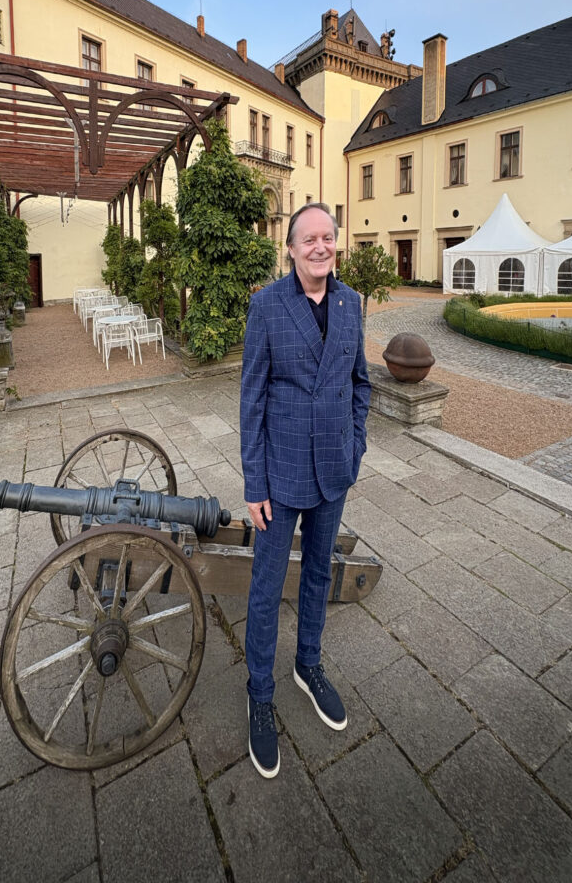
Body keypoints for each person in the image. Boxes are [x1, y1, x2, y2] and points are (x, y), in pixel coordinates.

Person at [238, 202, 369, 778]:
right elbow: (252, 399)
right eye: (308, 239)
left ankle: (308, 665)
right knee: (267, 587)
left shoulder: (350, 304)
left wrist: (356, 445)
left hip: (333, 472)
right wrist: (254, 482)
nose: (320, 247)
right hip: (281, 475)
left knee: (319, 574)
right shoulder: (267, 306)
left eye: (328, 238)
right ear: (290, 249)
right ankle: (260, 694)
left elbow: (360, 383)